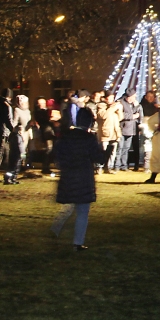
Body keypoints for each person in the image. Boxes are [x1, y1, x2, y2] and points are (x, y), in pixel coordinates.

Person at [50, 107, 104, 251]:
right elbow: (98, 158)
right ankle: (77, 242)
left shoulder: (66, 136)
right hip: (83, 176)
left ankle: (56, 228)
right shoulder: (88, 138)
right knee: (82, 210)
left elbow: (57, 154)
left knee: (71, 204)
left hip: (69, 174)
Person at [6, 94, 32, 184]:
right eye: (24, 102)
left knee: (21, 156)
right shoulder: (16, 110)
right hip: (18, 135)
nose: (25, 104)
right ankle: (9, 176)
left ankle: (14, 177)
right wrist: (18, 128)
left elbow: (28, 123)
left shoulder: (28, 111)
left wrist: (30, 129)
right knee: (17, 155)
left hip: (25, 135)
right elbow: (14, 123)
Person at [97, 92, 123, 173]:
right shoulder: (101, 106)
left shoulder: (114, 107)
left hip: (115, 132)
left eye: (112, 98)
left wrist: (119, 110)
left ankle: (109, 167)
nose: (111, 100)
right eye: (109, 98)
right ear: (105, 98)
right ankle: (100, 167)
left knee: (113, 151)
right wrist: (114, 108)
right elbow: (103, 115)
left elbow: (120, 118)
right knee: (103, 150)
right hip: (105, 132)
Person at [118, 89, 143, 171]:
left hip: (131, 129)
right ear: (130, 96)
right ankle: (116, 166)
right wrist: (132, 116)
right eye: (134, 95)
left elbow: (140, 115)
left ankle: (124, 165)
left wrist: (137, 106)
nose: (135, 97)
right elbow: (120, 114)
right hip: (122, 128)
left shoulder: (135, 104)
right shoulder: (120, 103)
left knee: (126, 148)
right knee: (120, 148)